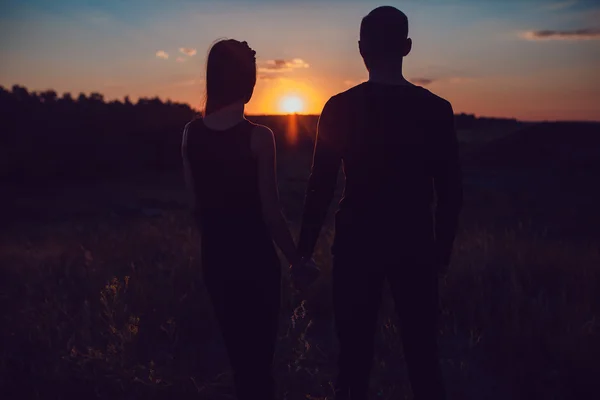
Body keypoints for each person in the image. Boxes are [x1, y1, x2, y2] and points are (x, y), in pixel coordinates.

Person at [296, 6, 463, 400]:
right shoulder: (436, 109)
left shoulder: (339, 106)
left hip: (357, 244)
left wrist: (303, 252)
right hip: (416, 244)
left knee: (352, 362)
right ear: (406, 47)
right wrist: (440, 253)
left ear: (360, 49)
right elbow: (451, 190)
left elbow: (319, 184)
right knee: (424, 358)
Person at [181, 39, 301, 400]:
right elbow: (271, 212)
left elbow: (195, 205)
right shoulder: (259, 138)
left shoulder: (191, 134)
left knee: (239, 362)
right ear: (246, 83)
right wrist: (298, 261)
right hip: (256, 262)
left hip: (215, 259)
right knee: (260, 364)